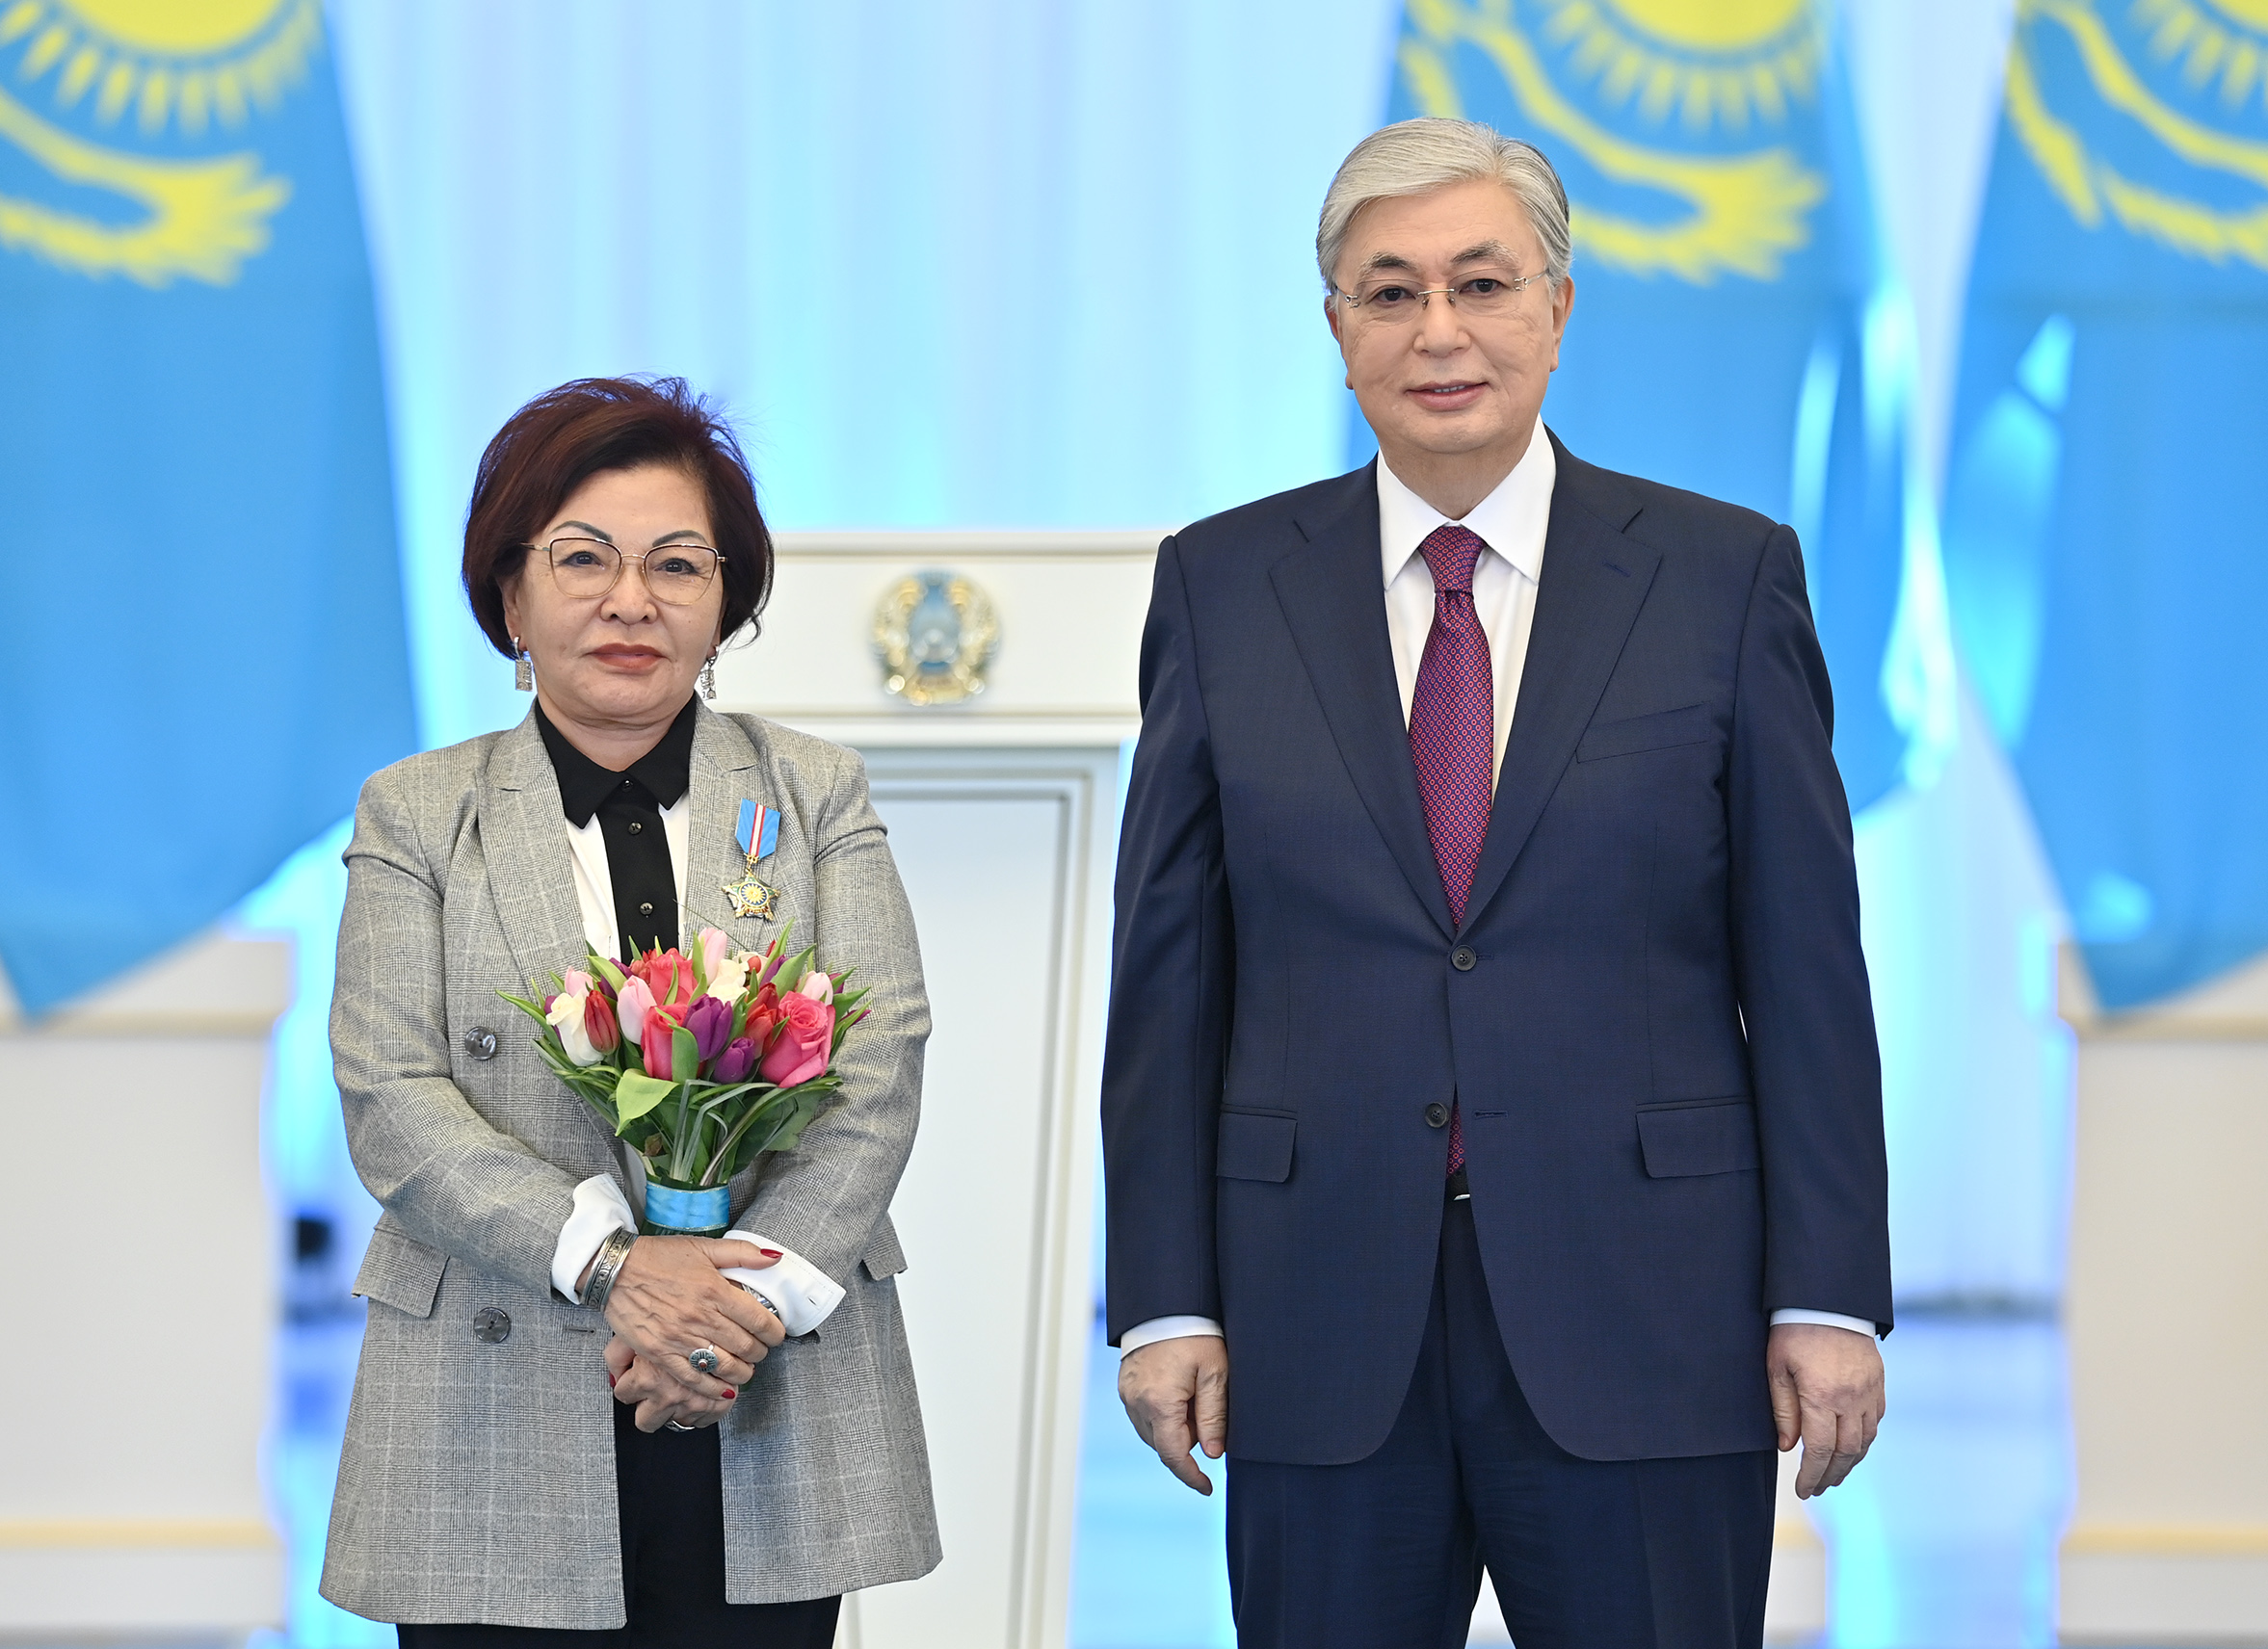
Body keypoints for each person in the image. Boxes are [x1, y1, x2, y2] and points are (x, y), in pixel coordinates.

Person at [1102, 118, 1892, 1648]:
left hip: (1650, 1311)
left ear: (1558, 307)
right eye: (1389, 292)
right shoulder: (1219, 584)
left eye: (1480, 283)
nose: (1439, 331)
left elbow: (1805, 969)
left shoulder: (1722, 577)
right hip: (1316, 1315)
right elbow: (1169, 980)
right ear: (1336, 328)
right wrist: (1164, 1297)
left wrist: (1826, 1292)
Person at [322, 377, 937, 1643]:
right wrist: (615, 1269)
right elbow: (391, 1096)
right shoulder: (417, 811)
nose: (630, 599)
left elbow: (878, 1060)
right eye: (583, 558)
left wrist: (734, 1310)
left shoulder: (812, 790)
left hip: (759, 1376)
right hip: (495, 1377)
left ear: (725, 602)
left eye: (676, 564)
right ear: (511, 598)